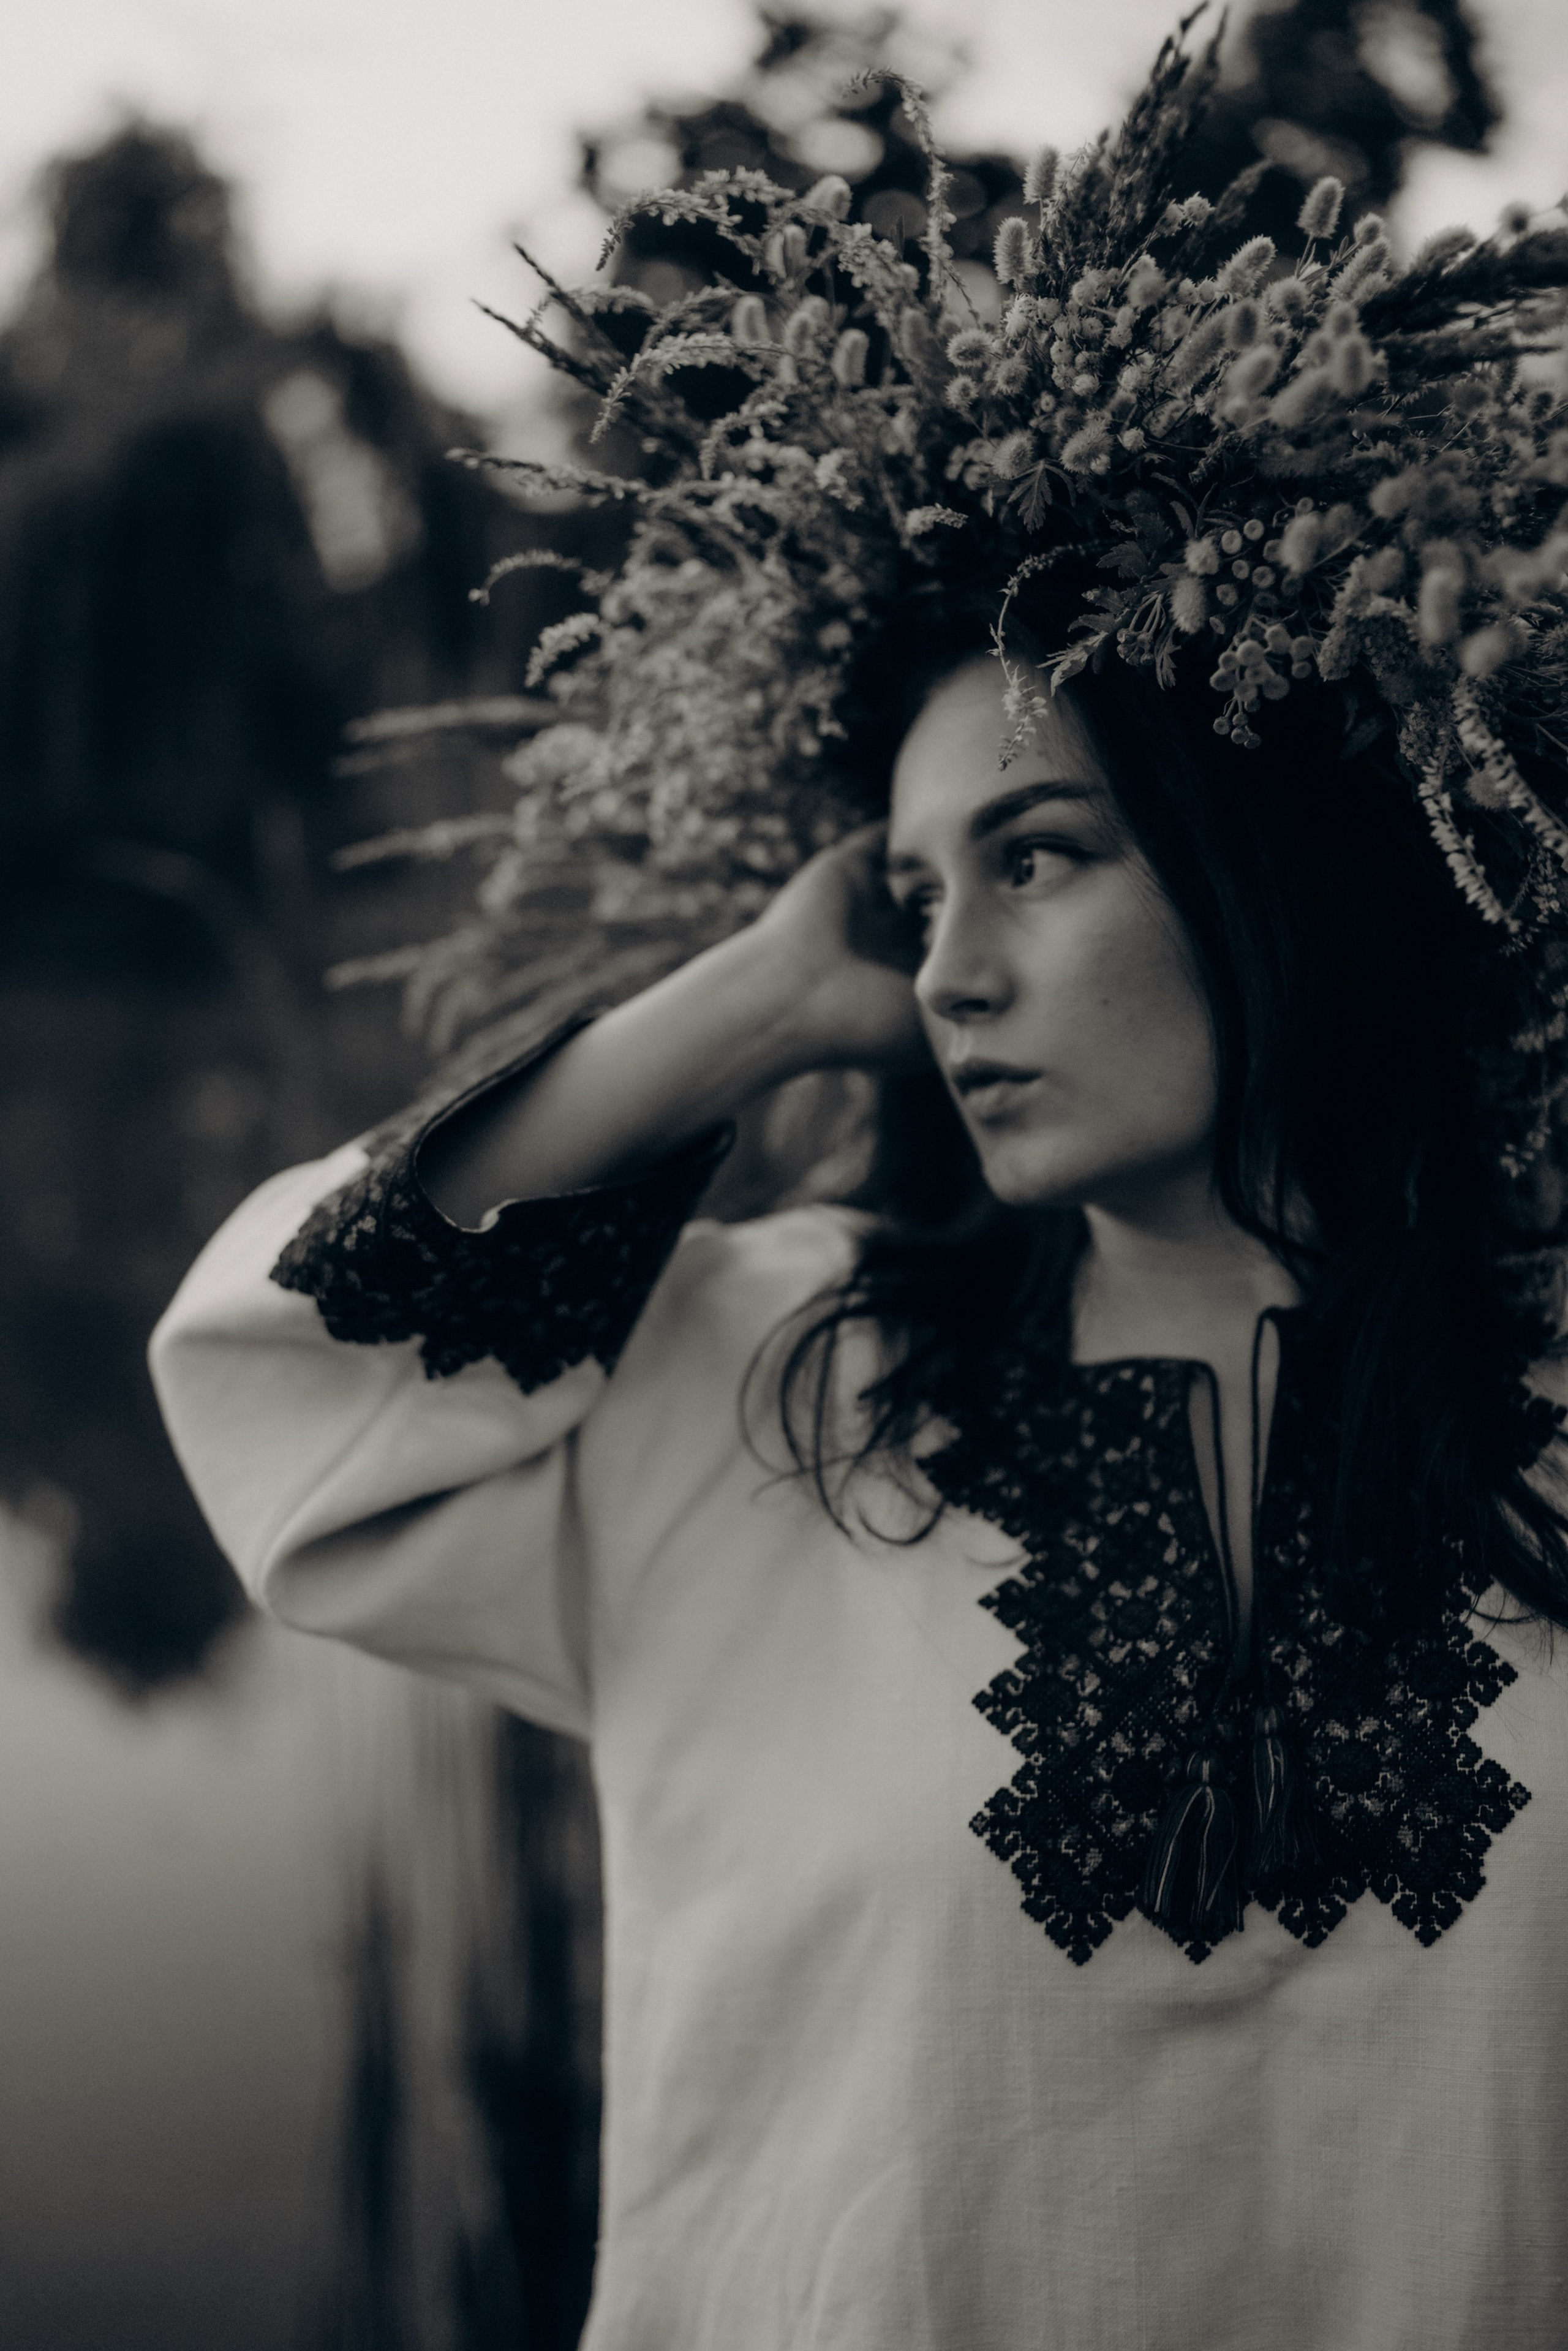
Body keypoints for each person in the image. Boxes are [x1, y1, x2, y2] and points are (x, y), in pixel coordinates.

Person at [151, 25, 1568, 2349]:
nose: (955, 972)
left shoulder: (1544, 1402)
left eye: (1041, 857)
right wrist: (736, 1003)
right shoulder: (772, 1384)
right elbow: (280, 1395)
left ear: (1275, 870)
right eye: (913, 901)